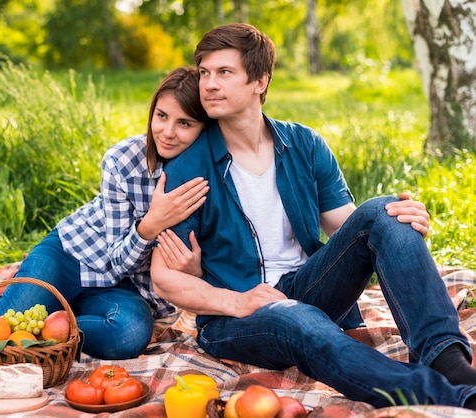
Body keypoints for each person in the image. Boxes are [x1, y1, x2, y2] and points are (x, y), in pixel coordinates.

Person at [150, 23, 476, 409]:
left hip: (307, 285)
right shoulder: (189, 168)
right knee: (299, 320)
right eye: (205, 72)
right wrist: (236, 303)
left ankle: (447, 360)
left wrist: (396, 223)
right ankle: (457, 396)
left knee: (386, 210)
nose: (209, 84)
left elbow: (348, 225)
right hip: (234, 318)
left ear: (260, 81)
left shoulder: (303, 144)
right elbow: (164, 277)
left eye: (224, 72)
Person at [0, 66, 211, 360]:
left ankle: (48, 317)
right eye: (161, 116)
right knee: (0, 325)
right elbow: (116, 258)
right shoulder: (122, 159)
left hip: (126, 286)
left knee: (128, 334)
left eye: (185, 123)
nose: (168, 132)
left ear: (204, 128)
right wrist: (151, 225)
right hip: (71, 256)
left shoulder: (205, 176)